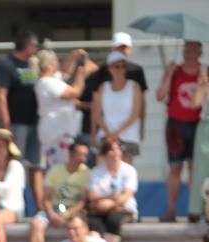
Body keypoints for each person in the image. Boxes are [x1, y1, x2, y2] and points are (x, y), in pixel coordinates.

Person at [23, 139, 91, 242]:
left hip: (73, 212)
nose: (83, 159)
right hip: (54, 209)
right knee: (36, 223)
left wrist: (66, 215)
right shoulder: (56, 170)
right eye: (80, 154)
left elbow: (83, 201)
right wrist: (52, 214)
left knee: (78, 228)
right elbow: (46, 197)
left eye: (85, 155)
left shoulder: (87, 173)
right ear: (71, 155)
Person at [0, 31, 42, 213]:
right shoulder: (7, 65)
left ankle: (38, 208)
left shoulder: (33, 64)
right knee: (16, 163)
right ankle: (18, 206)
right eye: (35, 45)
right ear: (27, 45)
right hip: (17, 123)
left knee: (36, 165)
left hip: (35, 123)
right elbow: (0, 95)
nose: (37, 49)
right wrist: (6, 124)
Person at [156, 41, 205, 222]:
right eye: (186, 50)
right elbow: (160, 96)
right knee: (175, 168)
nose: (189, 54)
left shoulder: (204, 72)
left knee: (195, 169)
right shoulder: (175, 71)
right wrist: (168, 73)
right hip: (176, 124)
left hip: (197, 124)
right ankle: (171, 209)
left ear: (200, 52)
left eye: (193, 50)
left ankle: (195, 210)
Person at [79, 32, 148, 153]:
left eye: (124, 47)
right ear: (112, 48)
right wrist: (94, 131)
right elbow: (96, 105)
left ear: (130, 50)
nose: (121, 50)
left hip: (129, 132)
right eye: (118, 46)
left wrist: (142, 127)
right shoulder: (100, 72)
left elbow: (141, 102)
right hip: (106, 131)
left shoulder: (137, 70)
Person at [34, 49, 90, 168]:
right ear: (49, 64)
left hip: (58, 132)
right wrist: (81, 74)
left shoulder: (49, 80)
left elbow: (65, 73)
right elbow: (74, 92)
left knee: (62, 168)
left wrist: (72, 56)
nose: (57, 63)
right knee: (60, 169)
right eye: (55, 61)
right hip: (56, 133)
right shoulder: (48, 82)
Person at [87, 136, 136, 242]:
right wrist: (108, 197)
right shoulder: (96, 172)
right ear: (105, 154)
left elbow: (127, 194)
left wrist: (109, 204)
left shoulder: (129, 170)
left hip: (122, 210)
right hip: (100, 210)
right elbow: (91, 195)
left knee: (113, 221)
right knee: (93, 224)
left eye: (118, 149)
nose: (115, 153)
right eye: (111, 150)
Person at [92, 51, 142, 163]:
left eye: (123, 66)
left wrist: (116, 133)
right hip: (106, 136)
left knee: (125, 173)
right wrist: (108, 133)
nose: (121, 70)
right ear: (110, 68)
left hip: (128, 136)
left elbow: (135, 114)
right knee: (101, 171)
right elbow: (97, 114)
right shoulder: (103, 87)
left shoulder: (134, 87)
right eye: (117, 66)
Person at [190, 62, 209, 223]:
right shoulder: (204, 86)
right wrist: (201, 85)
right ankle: (195, 208)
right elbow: (194, 104)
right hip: (205, 127)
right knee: (201, 170)